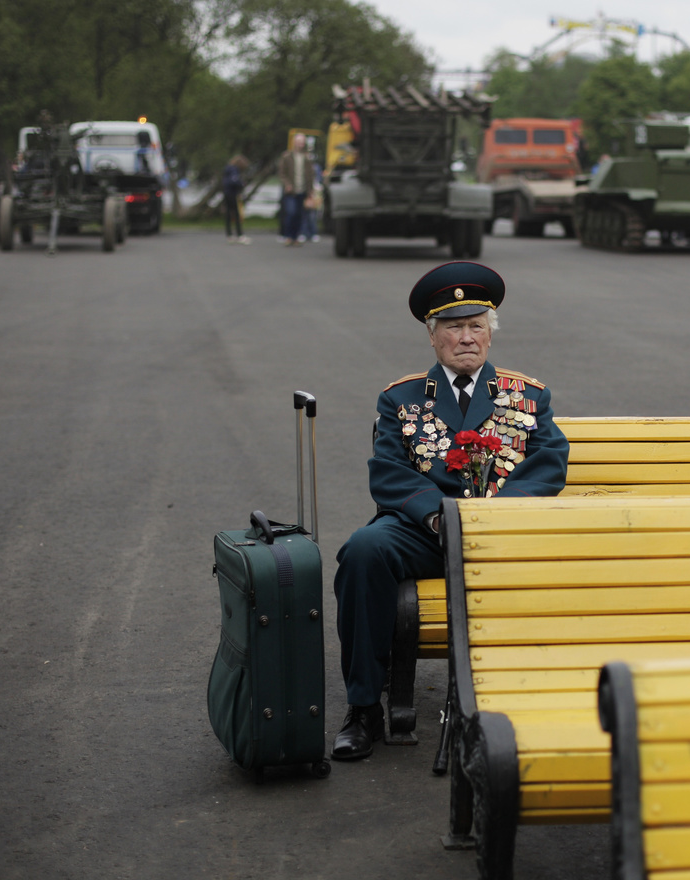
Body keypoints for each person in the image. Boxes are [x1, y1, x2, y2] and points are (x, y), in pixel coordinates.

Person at [330, 261, 570, 761]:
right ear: (433, 336)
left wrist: (498, 514)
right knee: (363, 551)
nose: (467, 338)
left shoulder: (528, 397)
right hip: (428, 531)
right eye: (454, 327)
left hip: (503, 532)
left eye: (476, 326)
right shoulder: (401, 398)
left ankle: (545, 702)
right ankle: (363, 709)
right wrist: (436, 515)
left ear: (490, 334)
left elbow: (549, 463)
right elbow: (389, 471)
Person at [278, 133, 315, 246]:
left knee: (300, 215)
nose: (300, 144)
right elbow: (282, 173)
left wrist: (310, 191)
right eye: (299, 141)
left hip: (302, 190)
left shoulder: (307, 158)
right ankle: (288, 236)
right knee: (291, 212)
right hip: (291, 191)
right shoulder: (286, 156)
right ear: (294, 142)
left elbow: (310, 175)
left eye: (302, 142)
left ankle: (296, 237)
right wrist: (287, 184)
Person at [221, 154, 249, 244]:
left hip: (226, 193)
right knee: (237, 215)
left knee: (229, 214)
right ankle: (240, 235)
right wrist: (241, 184)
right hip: (233, 194)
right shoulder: (234, 170)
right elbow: (234, 181)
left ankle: (229, 234)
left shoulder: (227, 169)